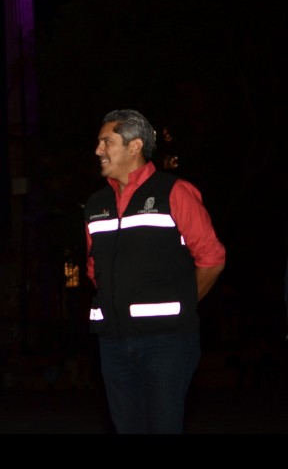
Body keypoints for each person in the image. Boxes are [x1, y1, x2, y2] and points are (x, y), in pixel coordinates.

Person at [84, 109, 226, 434]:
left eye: (107, 142)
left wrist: (183, 304)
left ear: (134, 146)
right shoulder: (95, 204)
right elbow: (94, 270)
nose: (98, 150)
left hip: (166, 341)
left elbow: (212, 258)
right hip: (112, 342)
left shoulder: (174, 191)